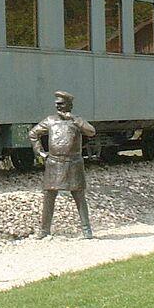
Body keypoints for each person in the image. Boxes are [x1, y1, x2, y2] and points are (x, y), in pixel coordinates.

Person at [28, 91, 96, 239]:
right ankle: (44, 231)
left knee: (79, 196)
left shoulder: (76, 121)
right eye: (56, 103)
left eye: (61, 103)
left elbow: (91, 132)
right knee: (49, 196)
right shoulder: (50, 121)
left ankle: (87, 230)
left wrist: (74, 119)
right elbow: (33, 134)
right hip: (54, 163)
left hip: (74, 163)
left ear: (69, 105)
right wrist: (40, 153)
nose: (57, 106)